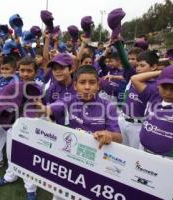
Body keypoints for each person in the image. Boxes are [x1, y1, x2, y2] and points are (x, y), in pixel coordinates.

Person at [36, 65, 122, 200]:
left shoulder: (108, 106)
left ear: (98, 85)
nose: (87, 87)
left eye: (92, 82)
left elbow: (119, 137)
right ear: (75, 86)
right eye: (82, 82)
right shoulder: (70, 99)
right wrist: (43, 109)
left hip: (96, 161)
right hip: (70, 156)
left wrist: (109, 135)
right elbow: (53, 107)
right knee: (60, 193)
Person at [0, 56, 40, 200]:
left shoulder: (39, 89)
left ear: (36, 72)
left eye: (29, 71)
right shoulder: (11, 87)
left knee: (28, 158)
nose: (25, 74)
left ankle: (31, 188)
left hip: (32, 130)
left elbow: (45, 111)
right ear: (18, 71)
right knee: (11, 154)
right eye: (22, 70)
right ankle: (10, 176)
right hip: (12, 126)